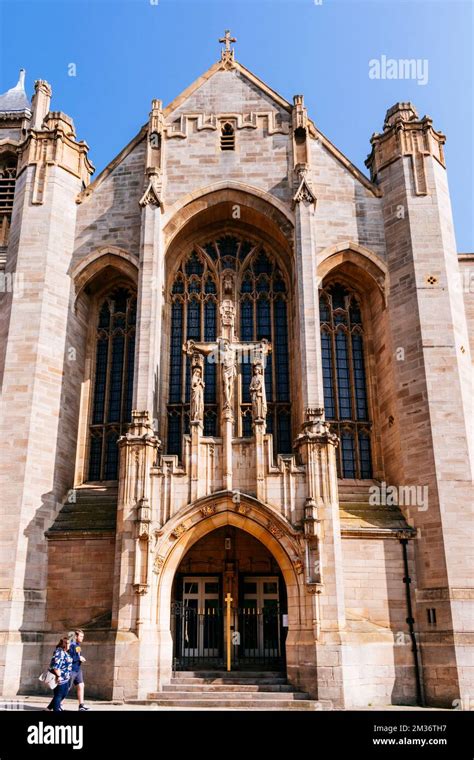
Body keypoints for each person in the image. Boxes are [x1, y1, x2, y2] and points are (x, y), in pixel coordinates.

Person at [45, 636, 72, 712]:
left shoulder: (66, 652)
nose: (67, 645)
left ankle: (48, 708)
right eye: (66, 643)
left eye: (69, 643)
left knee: (63, 694)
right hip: (59, 677)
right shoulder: (59, 652)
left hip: (65, 677)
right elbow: (56, 667)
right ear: (62, 643)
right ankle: (55, 709)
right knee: (58, 695)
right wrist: (59, 676)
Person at [68, 629, 89, 711]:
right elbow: (70, 657)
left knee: (81, 685)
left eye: (83, 636)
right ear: (76, 636)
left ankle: (81, 705)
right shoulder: (71, 645)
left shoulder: (78, 645)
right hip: (72, 670)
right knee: (66, 688)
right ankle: (58, 704)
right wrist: (79, 658)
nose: (82, 638)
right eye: (81, 636)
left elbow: (78, 655)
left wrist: (80, 658)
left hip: (78, 669)